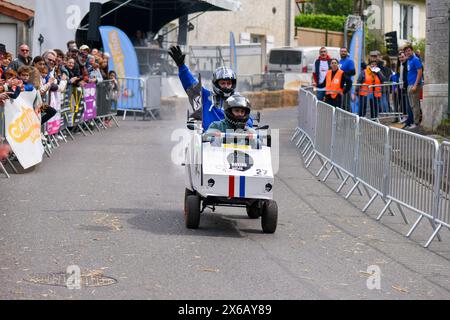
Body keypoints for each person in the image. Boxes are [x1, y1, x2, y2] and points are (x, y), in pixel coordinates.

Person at [168, 45, 253, 130]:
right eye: (223, 83)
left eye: (228, 83)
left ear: (233, 84)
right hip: (209, 140)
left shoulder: (238, 100)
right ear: (216, 83)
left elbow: (249, 121)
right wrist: (182, 67)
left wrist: (242, 123)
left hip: (237, 139)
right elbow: (191, 84)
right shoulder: (206, 97)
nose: (226, 86)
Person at [404, 44, 423, 127]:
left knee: (415, 105)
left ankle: (416, 123)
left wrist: (415, 85)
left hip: (415, 85)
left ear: (412, 50)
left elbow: (420, 72)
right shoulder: (409, 60)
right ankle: (415, 122)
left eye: (409, 50)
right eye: (406, 51)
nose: (407, 52)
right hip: (410, 84)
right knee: (412, 105)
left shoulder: (415, 59)